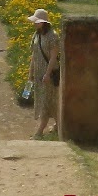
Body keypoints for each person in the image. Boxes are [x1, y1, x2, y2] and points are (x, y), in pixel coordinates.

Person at [28, 8, 60, 138]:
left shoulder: (53, 36)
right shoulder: (36, 35)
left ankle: (39, 131)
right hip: (38, 74)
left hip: (49, 75)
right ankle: (59, 125)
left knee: (47, 101)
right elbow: (34, 56)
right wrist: (30, 73)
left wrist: (47, 74)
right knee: (46, 101)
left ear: (44, 22)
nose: (35, 24)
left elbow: (53, 57)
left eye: (37, 22)